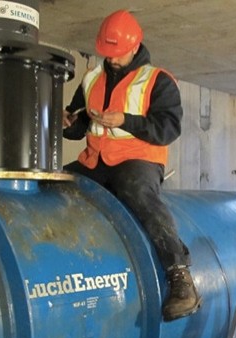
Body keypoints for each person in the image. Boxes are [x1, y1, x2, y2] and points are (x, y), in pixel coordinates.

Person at [61, 9, 200, 321]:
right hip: (96, 160)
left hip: (139, 160)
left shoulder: (158, 81)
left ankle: (180, 278)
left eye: (117, 53)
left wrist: (125, 120)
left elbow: (168, 128)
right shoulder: (91, 79)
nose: (111, 59)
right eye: (107, 53)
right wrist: (67, 122)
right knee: (55, 184)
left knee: (137, 193)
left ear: (136, 47)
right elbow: (78, 123)